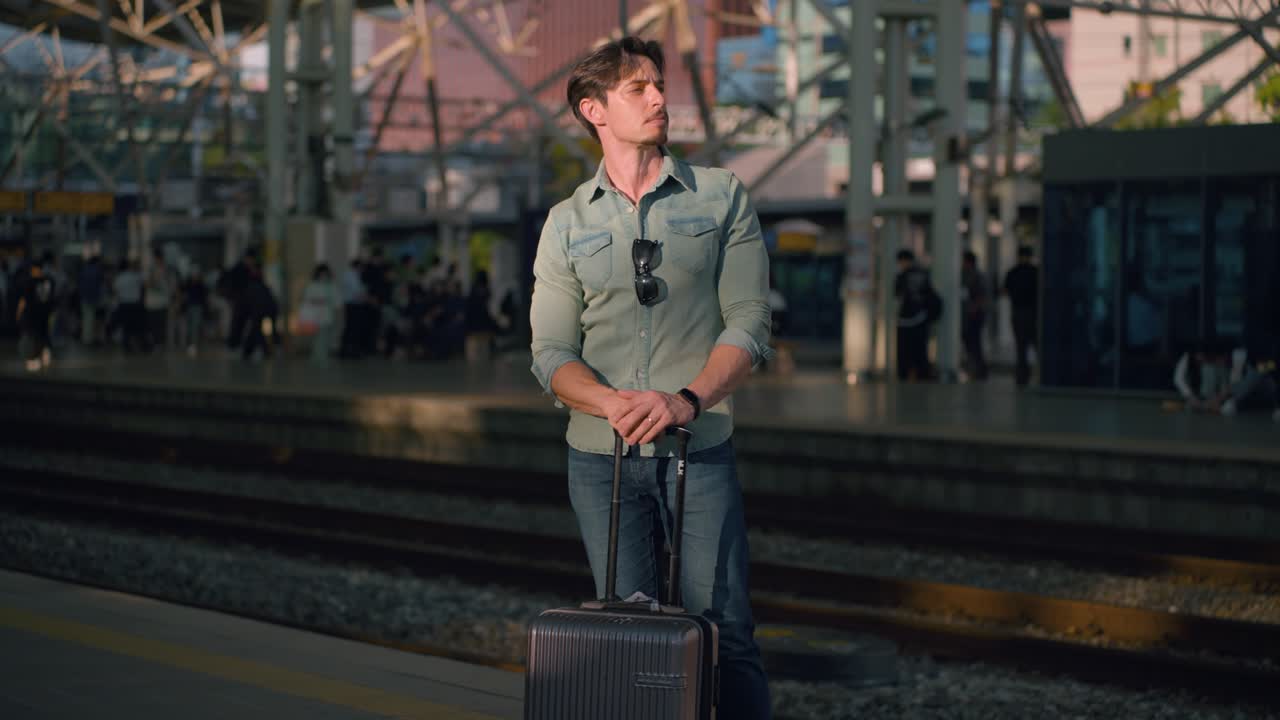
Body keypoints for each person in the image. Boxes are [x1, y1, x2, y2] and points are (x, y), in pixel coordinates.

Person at [528, 37, 772, 720]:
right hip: (599, 460)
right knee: (625, 641)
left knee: (726, 632)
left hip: (700, 449)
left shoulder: (721, 196)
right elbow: (549, 352)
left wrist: (684, 400)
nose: (660, 98)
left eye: (659, 84)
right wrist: (614, 403)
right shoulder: (565, 222)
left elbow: (749, 323)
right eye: (639, 88)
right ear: (594, 109)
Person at [894, 249, 939, 382]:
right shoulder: (924, 274)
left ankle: (905, 373)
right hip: (921, 317)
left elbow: (897, 294)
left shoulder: (902, 276)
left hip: (906, 318)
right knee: (920, 348)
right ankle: (922, 373)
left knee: (904, 349)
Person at [1004, 245, 1039, 386]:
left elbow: (1005, 290)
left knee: (1021, 347)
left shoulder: (1013, 272)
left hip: (1019, 312)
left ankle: (1022, 378)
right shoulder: (1035, 272)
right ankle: (1041, 375)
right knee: (1037, 345)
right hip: (1033, 313)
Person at [298, 263, 342, 363]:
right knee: (317, 337)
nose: (324, 276)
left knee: (324, 336)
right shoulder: (312, 286)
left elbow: (337, 301)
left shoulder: (331, 286)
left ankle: (322, 356)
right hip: (314, 315)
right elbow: (306, 299)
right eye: (322, 274)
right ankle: (318, 356)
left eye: (325, 274)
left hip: (326, 314)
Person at [960, 250, 989, 381]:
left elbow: (982, 296)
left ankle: (979, 370)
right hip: (970, 315)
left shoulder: (975, 275)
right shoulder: (969, 274)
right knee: (971, 343)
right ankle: (975, 369)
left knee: (974, 343)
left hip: (974, 315)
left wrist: (974, 308)